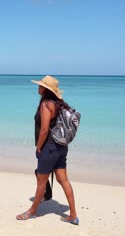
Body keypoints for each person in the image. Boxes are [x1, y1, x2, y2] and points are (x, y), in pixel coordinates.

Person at [16, 75, 79, 225]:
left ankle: (32, 212)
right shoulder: (61, 104)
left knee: (41, 182)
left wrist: (38, 147)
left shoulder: (46, 105)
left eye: (40, 86)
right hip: (61, 147)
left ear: (46, 89)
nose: (38, 87)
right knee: (63, 180)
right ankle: (73, 215)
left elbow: (44, 129)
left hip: (49, 148)